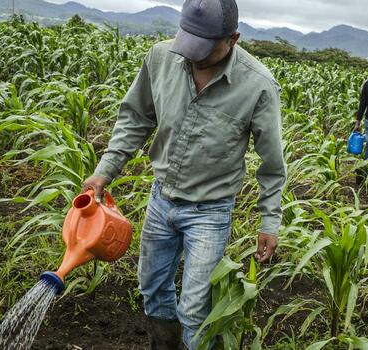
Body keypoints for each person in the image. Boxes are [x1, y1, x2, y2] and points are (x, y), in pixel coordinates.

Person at [81, 0, 287, 349]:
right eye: (188, 44)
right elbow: (136, 118)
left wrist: (270, 221)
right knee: (152, 288)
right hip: (162, 200)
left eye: (203, 49)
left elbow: (271, 164)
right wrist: (105, 171)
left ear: (232, 39)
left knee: (194, 309)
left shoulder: (258, 86)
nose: (193, 57)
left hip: (209, 212)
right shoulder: (162, 58)